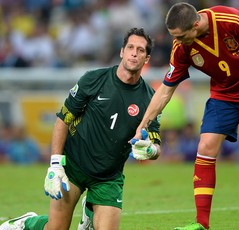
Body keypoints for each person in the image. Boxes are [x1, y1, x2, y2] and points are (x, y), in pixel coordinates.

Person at [133, 2, 239, 230]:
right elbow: (165, 90)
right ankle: (202, 223)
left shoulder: (232, 20)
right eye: (175, 36)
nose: (179, 41)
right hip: (224, 95)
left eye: (182, 36)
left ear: (196, 24)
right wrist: (142, 125)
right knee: (204, 147)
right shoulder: (181, 47)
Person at [0, 27, 161, 230]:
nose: (134, 53)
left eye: (140, 50)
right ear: (122, 51)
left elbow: (155, 144)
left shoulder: (150, 99)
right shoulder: (93, 79)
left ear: (146, 59)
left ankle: (90, 211)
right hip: (74, 166)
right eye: (130, 47)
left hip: (108, 177)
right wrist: (55, 165)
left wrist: (150, 149)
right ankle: (27, 222)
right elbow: (63, 120)